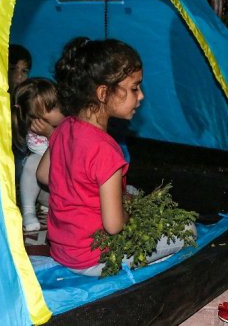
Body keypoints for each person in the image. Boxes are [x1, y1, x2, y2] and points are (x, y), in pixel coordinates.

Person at [36, 37, 195, 276]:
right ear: (103, 93)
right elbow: (113, 226)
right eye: (134, 88)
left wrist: (80, 192)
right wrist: (135, 217)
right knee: (187, 229)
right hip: (96, 259)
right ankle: (145, 266)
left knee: (129, 190)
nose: (140, 96)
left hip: (63, 250)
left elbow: (43, 175)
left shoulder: (64, 127)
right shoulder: (106, 149)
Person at [11, 78, 64, 231]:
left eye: (57, 103)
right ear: (36, 118)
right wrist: (50, 134)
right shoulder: (36, 131)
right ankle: (28, 211)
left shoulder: (68, 122)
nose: (60, 109)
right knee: (33, 161)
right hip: (45, 189)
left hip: (62, 196)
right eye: (52, 107)